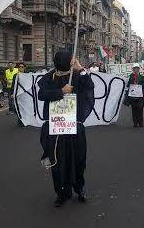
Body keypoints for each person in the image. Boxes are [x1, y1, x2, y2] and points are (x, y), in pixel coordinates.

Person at [38, 51, 94, 207]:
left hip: (74, 127)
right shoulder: (49, 77)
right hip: (56, 129)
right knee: (57, 162)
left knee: (78, 160)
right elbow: (42, 94)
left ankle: (79, 188)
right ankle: (62, 192)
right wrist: (61, 91)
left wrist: (80, 68)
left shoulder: (77, 76)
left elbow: (90, 86)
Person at [124, 63, 144, 127]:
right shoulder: (130, 77)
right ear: (133, 69)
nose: (136, 70)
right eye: (135, 68)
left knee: (140, 109)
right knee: (134, 109)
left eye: (137, 68)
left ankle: (140, 122)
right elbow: (127, 85)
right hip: (133, 96)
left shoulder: (142, 77)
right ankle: (135, 123)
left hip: (140, 96)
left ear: (139, 69)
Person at [11, 62, 26, 127]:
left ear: (24, 68)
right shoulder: (15, 76)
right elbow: (13, 85)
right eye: (19, 67)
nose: (20, 68)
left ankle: (22, 120)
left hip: (24, 94)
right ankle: (20, 118)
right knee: (16, 108)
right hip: (17, 94)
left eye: (22, 67)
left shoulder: (27, 76)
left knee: (23, 108)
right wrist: (12, 93)